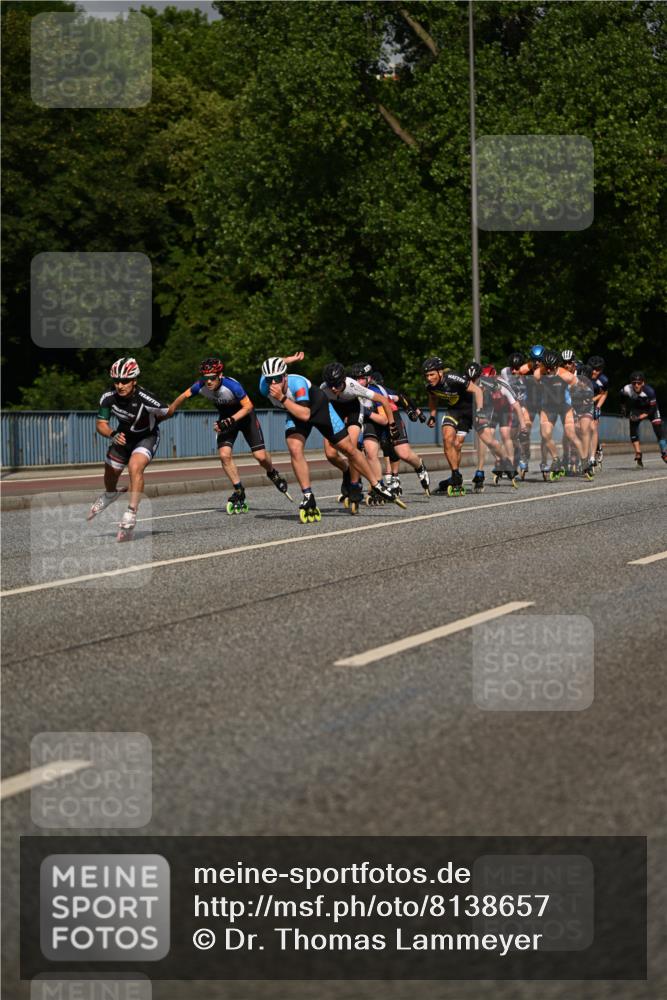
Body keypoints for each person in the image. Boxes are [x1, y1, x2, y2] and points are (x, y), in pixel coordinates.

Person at [259, 356, 403, 520]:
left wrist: (282, 398)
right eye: (269, 380)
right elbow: (274, 366)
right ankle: (308, 495)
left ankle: (375, 484)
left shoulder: (298, 383)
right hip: (295, 410)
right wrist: (289, 359)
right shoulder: (264, 386)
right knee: (295, 448)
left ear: (285, 376)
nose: (273, 384)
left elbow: (306, 414)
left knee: (349, 448)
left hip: (318, 408)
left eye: (277, 379)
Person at [167, 356, 290, 514]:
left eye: (212, 378)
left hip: (245, 417)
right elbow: (183, 396)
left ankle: (272, 472)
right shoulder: (200, 386)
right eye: (205, 378)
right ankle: (239, 489)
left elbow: (248, 406)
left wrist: (230, 421)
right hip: (226, 419)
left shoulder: (232, 386)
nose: (208, 382)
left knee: (260, 456)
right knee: (224, 455)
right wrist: (170, 410)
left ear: (220, 375)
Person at [88, 357, 171, 539]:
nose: (120, 385)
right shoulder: (108, 397)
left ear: (134, 380)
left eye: (125, 381)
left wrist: (154, 420)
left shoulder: (146, 398)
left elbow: (167, 411)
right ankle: (110, 494)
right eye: (116, 381)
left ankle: (131, 512)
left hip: (146, 437)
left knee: (135, 467)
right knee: (111, 471)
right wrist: (112, 434)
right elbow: (101, 424)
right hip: (122, 437)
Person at [423, 357, 483, 495]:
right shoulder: (430, 387)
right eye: (426, 375)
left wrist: (480, 411)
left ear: (440, 372)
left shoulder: (453, 378)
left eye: (432, 374)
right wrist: (432, 415)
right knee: (447, 438)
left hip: (468, 411)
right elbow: (433, 398)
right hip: (454, 411)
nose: (429, 378)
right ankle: (456, 474)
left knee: (457, 444)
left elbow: (478, 391)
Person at [619, 372, 667, 467]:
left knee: (659, 430)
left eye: (639, 383)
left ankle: (664, 453)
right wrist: (623, 407)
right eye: (634, 383)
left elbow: (652, 409)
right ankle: (638, 453)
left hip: (651, 409)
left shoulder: (650, 391)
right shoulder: (627, 389)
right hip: (637, 408)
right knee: (633, 426)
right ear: (631, 383)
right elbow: (621, 396)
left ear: (643, 383)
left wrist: (642, 416)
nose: (636, 385)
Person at [587, 355, 609, 465]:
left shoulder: (603, 380)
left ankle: (596, 449)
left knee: (593, 427)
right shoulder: (584, 374)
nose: (594, 372)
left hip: (595, 403)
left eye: (597, 370)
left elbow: (604, 394)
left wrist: (597, 406)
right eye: (592, 369)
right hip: (581, 402)